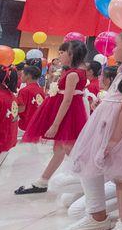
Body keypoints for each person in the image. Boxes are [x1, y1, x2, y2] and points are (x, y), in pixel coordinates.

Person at [57, 29, 122, 230]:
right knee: (90, 163)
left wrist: (115, 140)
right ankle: (96, 215)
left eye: (117, 45)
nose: (113, 49)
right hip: (106, 125)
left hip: (121, 130)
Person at [16, 40, 89, 194]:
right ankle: (43, 181)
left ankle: (88, 182)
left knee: (69, 149)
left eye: (62, 52)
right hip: (68, 112)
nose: (60, 55)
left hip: (68, 114)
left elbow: (67, 100)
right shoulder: (74, 72)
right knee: (61, 149)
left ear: (72, 54)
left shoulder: (73, 74)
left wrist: (55, 124)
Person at [15, 65, 45, 136]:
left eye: (22, 74)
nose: (21, 76)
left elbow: (21, 108)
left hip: (25, 125)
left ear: (28, 75)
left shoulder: (24, 90)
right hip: (37, 124)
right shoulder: (40, 90)